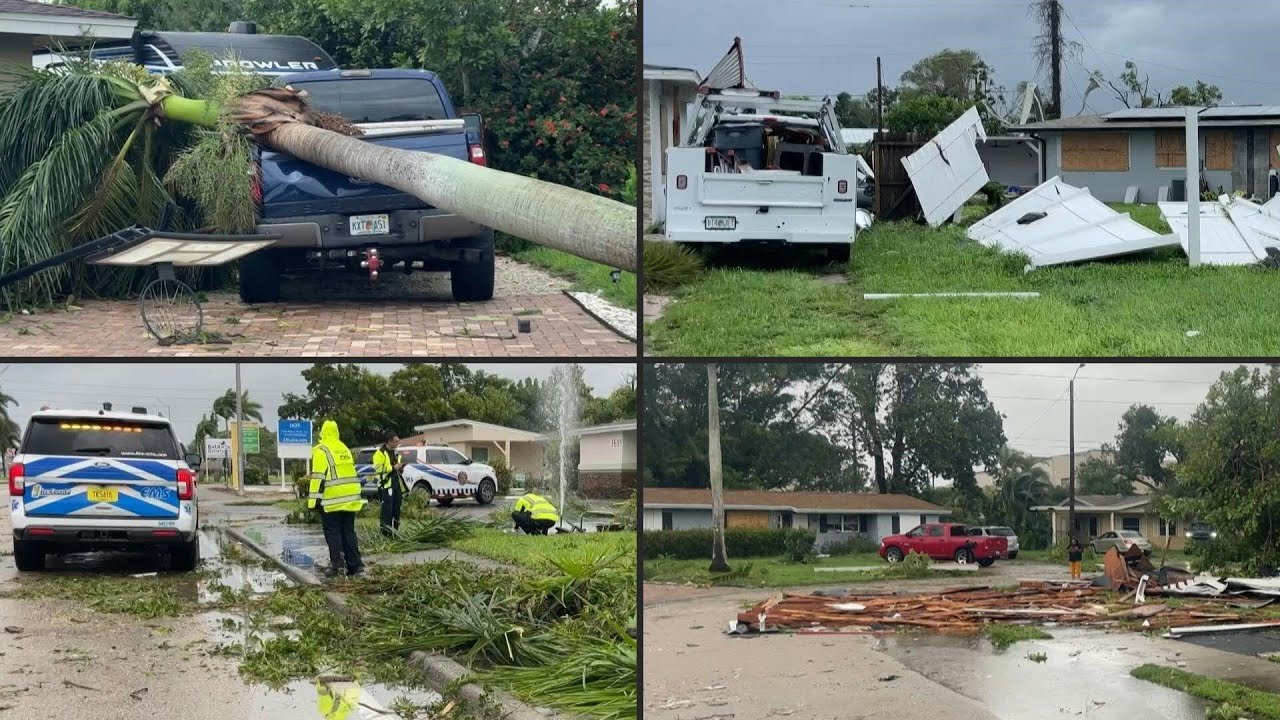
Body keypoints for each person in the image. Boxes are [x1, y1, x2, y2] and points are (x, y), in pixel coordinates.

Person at [308, 419, 366, 579]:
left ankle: (338, 565)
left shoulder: (321, 449)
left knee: (333, 532)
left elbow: (318, 477)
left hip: (333, 496)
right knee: (348, 531)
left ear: (322, 432)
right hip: (351, 496)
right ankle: (356, 566)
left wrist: (312, 502)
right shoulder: (344, 448)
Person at [373, 434, 407, 537]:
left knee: (396, 510)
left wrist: (400, 468)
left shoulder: (396, 453)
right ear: (389, 441)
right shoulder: (380, 454)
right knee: (387, 511)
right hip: (386, 485)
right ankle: (385, 534)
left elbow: (397, 467)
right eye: (395, 441)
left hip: (396, 484)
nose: (397, 443)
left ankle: (395, 533)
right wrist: (393, 468)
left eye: (398, 441)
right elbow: (378, 469)